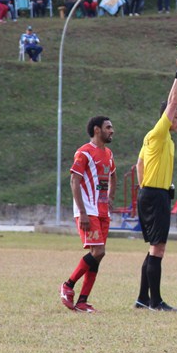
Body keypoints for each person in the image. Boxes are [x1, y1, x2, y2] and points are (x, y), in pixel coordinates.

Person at [134, 52, 177, 312]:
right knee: (158, 248)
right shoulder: (159, 132)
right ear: (165, 117)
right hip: (155, 195)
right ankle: (156, 302)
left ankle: (142, 298)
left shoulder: (158, 139)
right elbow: (173, 99)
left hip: (153, 193)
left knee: (153, 247)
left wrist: (145, 188)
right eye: (175, 117)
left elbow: (139, 164)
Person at [59, 116, 115, 314]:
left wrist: (110, 196)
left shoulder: (108, 153)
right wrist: (82, 212)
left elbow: (113, 175)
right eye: (108, 127)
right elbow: (74, 181)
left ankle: (83, 301)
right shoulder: (84, 152)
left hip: (102, 211)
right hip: (88, 210)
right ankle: (68, 285)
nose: (112, 130)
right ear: (97, 129)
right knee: (99, 252)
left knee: (97, 256)